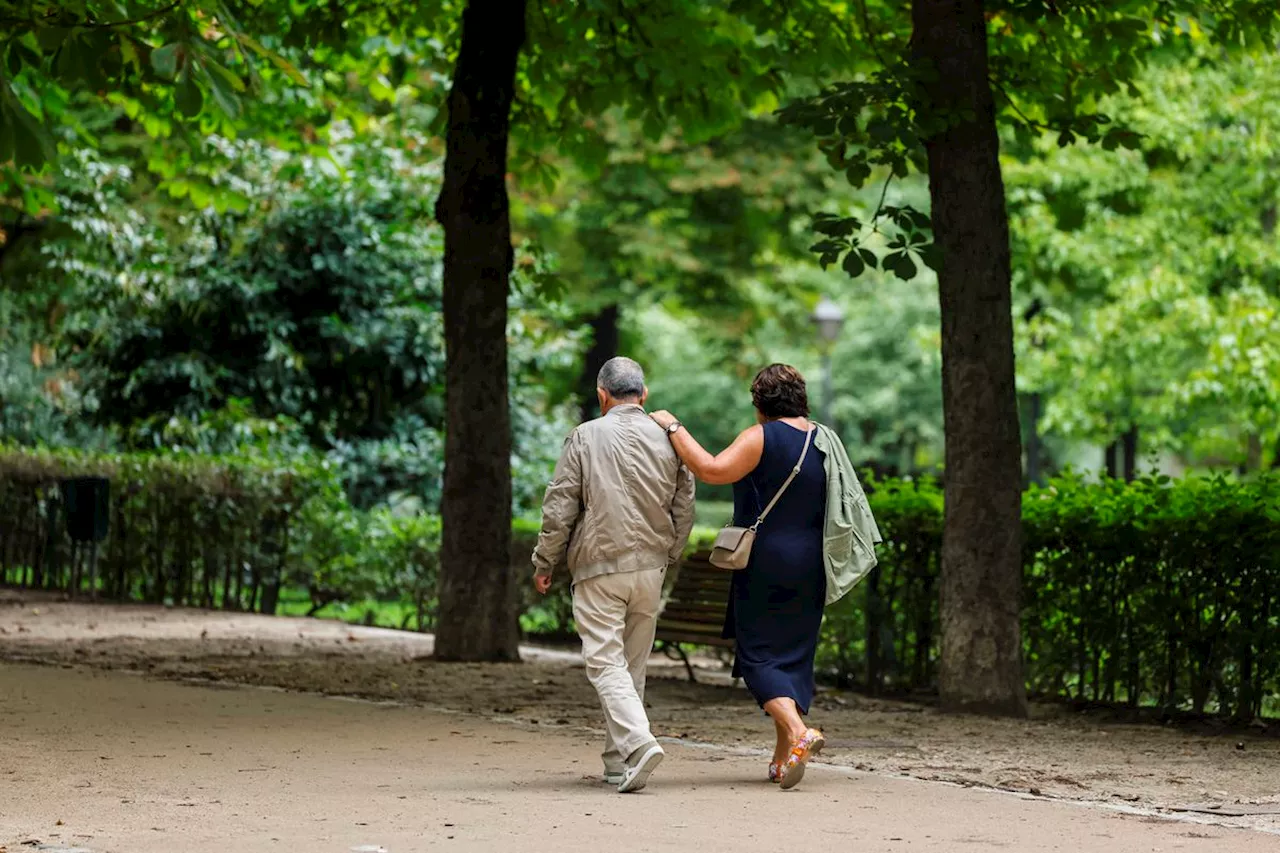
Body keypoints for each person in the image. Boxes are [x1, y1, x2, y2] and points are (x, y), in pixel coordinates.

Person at [650, 363, 880, 790]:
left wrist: (672, 425)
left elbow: (713, 470)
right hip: (812, 563)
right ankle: (782, 758)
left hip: (766, 560)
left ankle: (798, 734)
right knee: (791, 655)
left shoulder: (761, 437)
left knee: (757, 656)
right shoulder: (823, 440)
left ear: (760, 403)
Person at [532, 356, 696, 794]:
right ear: (643, 396)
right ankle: (616, 761)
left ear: (602, 396)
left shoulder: (585, 436)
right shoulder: (668, 438)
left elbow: (560, 505)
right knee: (631, 666)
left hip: (599, 566)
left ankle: (639, 743)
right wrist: (670, 553)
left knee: (605, 662)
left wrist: (545, 561)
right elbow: (685, 505)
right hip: (650, 568)